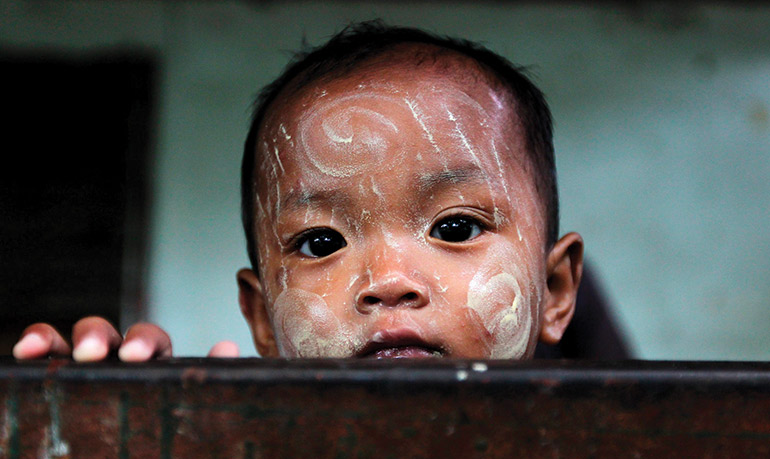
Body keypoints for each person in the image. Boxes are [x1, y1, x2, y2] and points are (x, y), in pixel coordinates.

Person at [13, 21, 585, 362]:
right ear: (261, 317)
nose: (388, 281)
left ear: (555, 290)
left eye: (455, 227)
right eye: (320, 242)